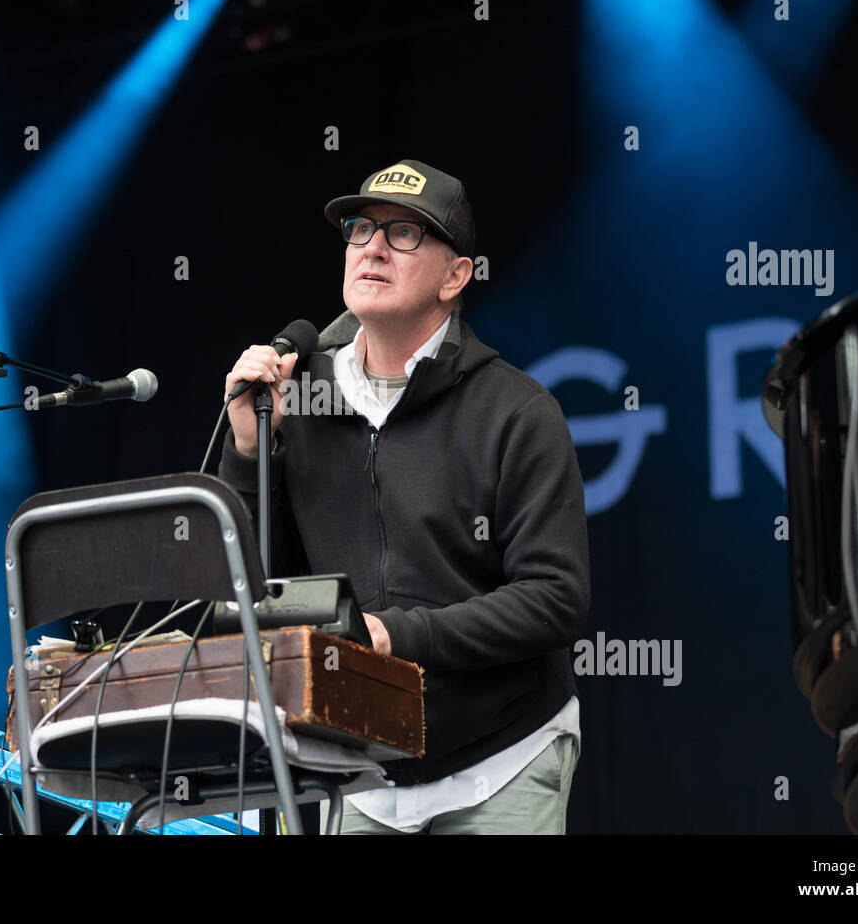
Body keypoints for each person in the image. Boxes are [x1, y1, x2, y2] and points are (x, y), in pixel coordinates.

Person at [219, 159, 590, 834]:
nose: (373, 246)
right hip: (358, 766)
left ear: (457, 276)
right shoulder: (298, 399)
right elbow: (253, 587)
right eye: (361, 229)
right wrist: (247, 455)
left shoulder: (517, 411)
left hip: (502, 756)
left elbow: (555, 596)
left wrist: (398, 634)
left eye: (406, 233)